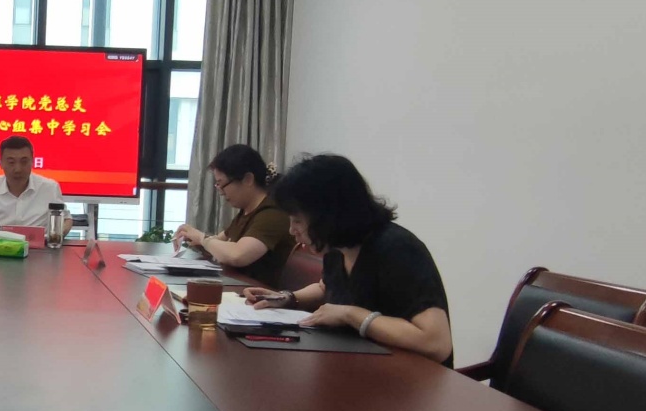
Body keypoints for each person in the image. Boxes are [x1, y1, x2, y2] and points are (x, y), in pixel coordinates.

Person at [242, 153, 454, 365]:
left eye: (297, 220)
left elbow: (436, 343)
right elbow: (328, 287)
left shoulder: (397, 249)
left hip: (410, 376)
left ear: (328, 214)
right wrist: (288, 298)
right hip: (361, 365)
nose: (291, 230)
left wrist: (350, 315)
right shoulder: (338, 246)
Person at [173, 144, 293, 284]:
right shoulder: (246, 211)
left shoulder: (272, 214)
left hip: (259, 291)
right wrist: (195, 238)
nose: (221, 192)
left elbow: (237, 255)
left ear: (248, 179)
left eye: (222, 184)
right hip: (238, 285)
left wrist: (202, 238)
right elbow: (220, 241)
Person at [0, 135, 63, 236]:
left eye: (24, 162)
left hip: (40, 246)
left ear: (32, 161)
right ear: (1, 163)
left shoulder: (50, 188)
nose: (18, 169)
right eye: (11, 162)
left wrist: (56, 236)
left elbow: (66, 220)